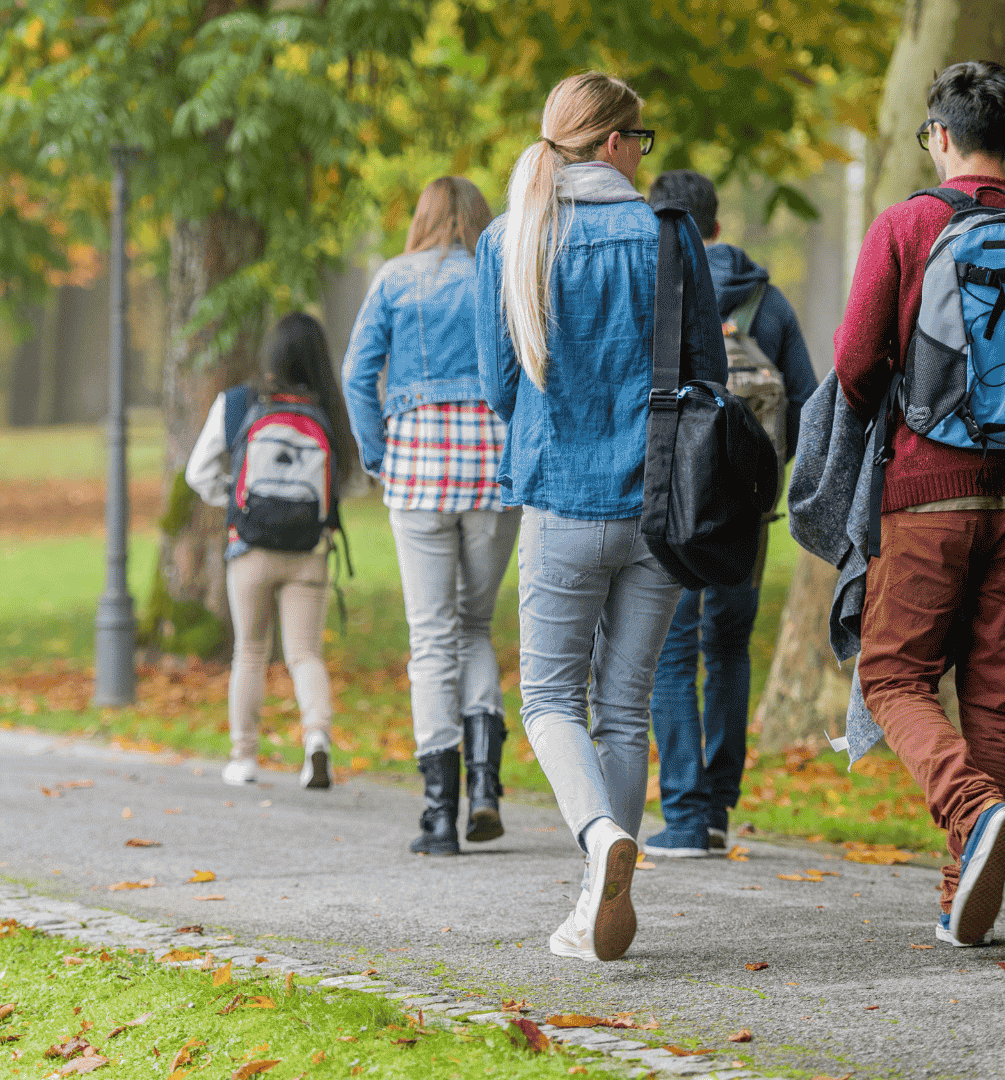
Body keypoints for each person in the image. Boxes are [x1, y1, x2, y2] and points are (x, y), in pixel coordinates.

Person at [835, 61, 1005, 947]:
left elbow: (852, 363)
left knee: (891, 674)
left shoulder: (909, 225)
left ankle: (972, 806)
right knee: (994, 693)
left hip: (928, 490)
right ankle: (967, 891)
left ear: (941, 136)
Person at [476, 72, 724, 961]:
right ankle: (597, 896)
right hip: (660, 508)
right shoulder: (670, 234)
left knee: (547, 698)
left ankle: (597, 842)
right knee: (624, 707)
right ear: (616, 143)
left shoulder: (510, 238)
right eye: (642, 139)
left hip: (560, 500)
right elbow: (708, 376)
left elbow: (500, 387)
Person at [641, 170, 816, 858]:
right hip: (746, 513)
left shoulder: (657, 285)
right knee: (730, 648)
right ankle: (716, 809)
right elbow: (804, 398)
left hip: (675, 507)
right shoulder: (767, 299)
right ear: (714, 226)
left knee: (672, 652)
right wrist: (761, 483)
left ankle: (683, 817)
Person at [342, 177, 520, 856]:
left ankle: (439, 817)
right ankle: (485, 791)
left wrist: (378, 456)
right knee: (474, 625)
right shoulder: (499, 277)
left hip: (418, 471)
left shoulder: (394, 278)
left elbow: (359, 374)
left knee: (431, 637)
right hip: (492, 469)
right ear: (477, 219)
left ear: (421, 218)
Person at [185, 313, 356, 791]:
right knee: (305, 653)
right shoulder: (330, 412)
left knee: (251, 651)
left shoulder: (237, 403)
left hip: (250, 550)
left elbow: (197, 474)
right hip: (309, 552)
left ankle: (243, 758)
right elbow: (353, 483)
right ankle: (316, 743)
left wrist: (236, 503)